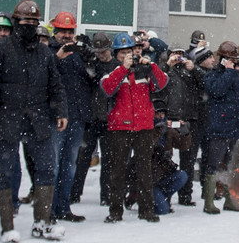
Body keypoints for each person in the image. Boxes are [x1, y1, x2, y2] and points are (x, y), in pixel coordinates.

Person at [0, 0, 67, 243]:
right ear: (16, 22)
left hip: (37, 120)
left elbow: (55, 86)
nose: (30, 26)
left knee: (46, 169)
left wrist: (61, 111)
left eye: (34, 22)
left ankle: (42, 222)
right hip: (6, 119)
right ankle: (7, 227)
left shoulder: (44, 53)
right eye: (26, 21)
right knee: (4, 171)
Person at [100, 33, 167, 224]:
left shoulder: (144, 71)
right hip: (120, 128)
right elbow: (107, 89)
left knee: (144, 169)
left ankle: (146, 210)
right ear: (115, 54)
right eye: (121, 53)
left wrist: (151, 66)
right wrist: (123, 69)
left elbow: (161, 83)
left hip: (144, 127)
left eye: (129, 51)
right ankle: (115, 211)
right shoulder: (111, 71)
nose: (126, 55)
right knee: (118, 171)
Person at [45, 12, 94, 223]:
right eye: (62, 31)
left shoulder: (79, 54)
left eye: (69, 31)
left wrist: (89, 58)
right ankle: (47, 209)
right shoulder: (46, 52)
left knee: (69, 165)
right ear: (55, 32)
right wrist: (57, 58)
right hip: (56, 116)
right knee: (52, 165)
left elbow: (92, 80)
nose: (66, 36)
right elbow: (41, 76)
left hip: (77, 116)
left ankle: (64, 206)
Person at [201, 41, 239, 214]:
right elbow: (217, 91)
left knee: (232, 165)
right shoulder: (212, 76)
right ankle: (208, 202)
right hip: (219, 128)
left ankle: (230, 200)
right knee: (213, 164)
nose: (232, 62)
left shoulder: (237, 76)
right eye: (229, 59)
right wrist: (228, 72)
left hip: (236, 128)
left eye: (233, 59)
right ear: (222, 59)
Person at [69, 34, 115, 207]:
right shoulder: (91, 64)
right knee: (83, 158)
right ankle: (75, 192)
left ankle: (106, 194)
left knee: (108, 160)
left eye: (103, 51)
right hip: (91, 117)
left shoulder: (115, 67)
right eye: (98, 52)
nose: (101, 55)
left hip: (108, 118)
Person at [162, 47, 203, 207]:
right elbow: (157, 84)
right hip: (168, 119)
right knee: (165, 159)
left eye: (180, 55)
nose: (178, 58)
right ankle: (165, 194)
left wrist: (195, 69)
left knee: (188, 160)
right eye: (175, 54)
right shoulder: (165, 70)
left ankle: (185, 195)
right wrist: (167, 65)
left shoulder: (190, 72)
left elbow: (203, 84)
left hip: (187, 119)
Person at [147, 102, 190, 215]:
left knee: (182, 175)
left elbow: (183, 146)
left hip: (163, 174)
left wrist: (185, 133)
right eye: (158, 114)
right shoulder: (146, 129)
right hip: (149, 178)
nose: (161, 117)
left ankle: (160, 198)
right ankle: (142, 197)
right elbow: (147, 148)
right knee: (163, 210)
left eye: (163, 114)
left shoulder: (168, 131)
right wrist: (157, 132)